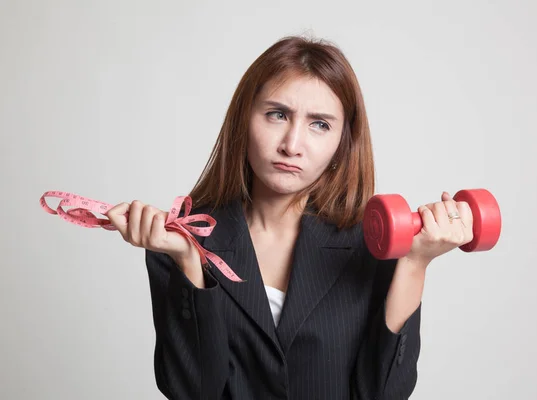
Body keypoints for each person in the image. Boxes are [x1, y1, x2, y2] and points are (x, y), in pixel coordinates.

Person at [107, 35, 474, 400]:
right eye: (277, 114)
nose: (292, 145)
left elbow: (383, 393)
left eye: (320, 124)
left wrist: (414, 263)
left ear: (341, 144)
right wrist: (189, 262)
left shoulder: (370, 246)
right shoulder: (180, 240)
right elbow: (193, 391)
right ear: (243, 121)